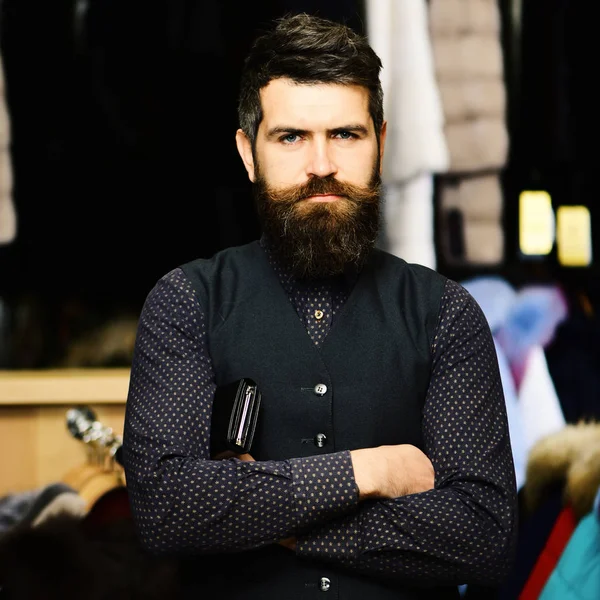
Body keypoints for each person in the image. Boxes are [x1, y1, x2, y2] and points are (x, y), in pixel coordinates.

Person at [122, 12, 517, 600]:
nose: (322, 166)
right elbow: (166, 507)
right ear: (247, 153)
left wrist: (272, 518)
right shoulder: (186, 304)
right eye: (291, 137)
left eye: (346, 135)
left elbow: (485, 535)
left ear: (381, 143)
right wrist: (372, 472)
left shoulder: (446, 315)